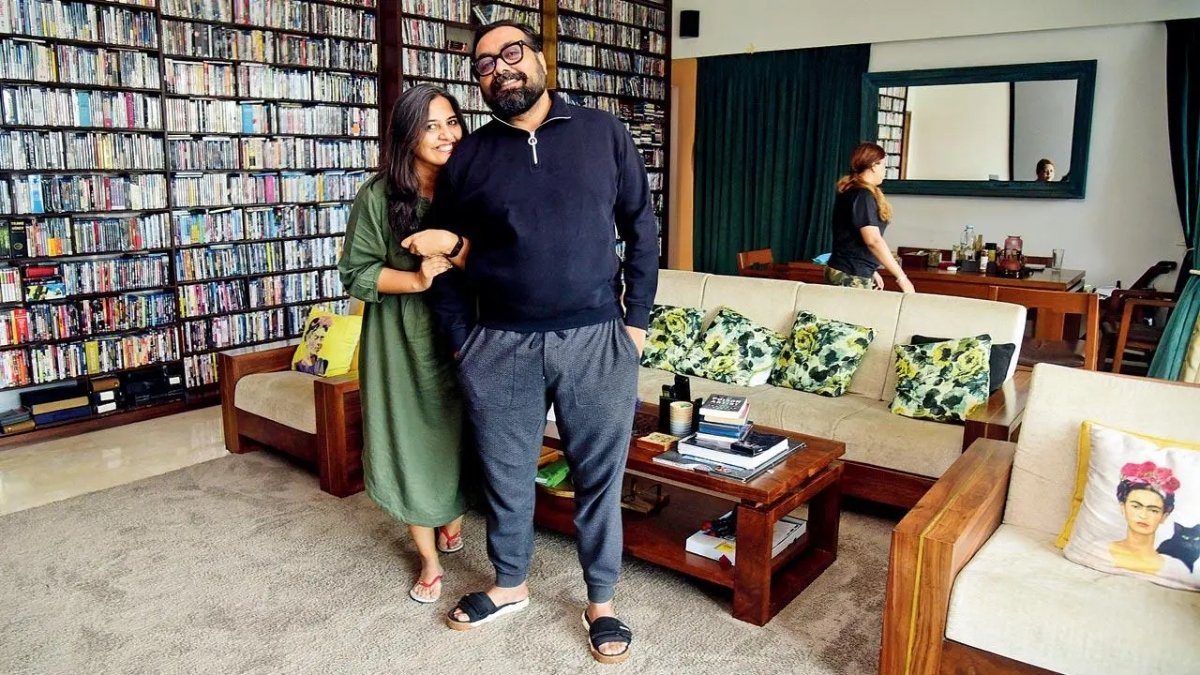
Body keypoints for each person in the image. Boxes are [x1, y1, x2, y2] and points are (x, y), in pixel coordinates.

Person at [421, 20, 656, 665]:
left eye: (512, 53)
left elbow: (641, 227)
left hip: (597, 338)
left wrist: (636, 322)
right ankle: (510, 584)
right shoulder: (469, 158)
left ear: (540, 58)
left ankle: (601, 601)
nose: (500, 68)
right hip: (499, 343)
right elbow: (440, 256)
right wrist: (462, 340)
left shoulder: (603, 133)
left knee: (599, 478)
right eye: (484, 64)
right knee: (505, 473)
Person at [337, 84, 471, 605]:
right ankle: (429, 560)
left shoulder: (473, 183)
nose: (446, 135)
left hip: (471, 328)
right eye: (431, 126)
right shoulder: (377, 196)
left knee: (465, 430)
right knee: (412, 440)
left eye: (452, 122)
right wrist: (416, 279)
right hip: (401, 335)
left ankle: (452, 514)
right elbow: (356, 272)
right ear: (406, 136)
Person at [825, 142, 915, 293]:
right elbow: (873, 240)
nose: (885, 171)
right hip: (850, 273)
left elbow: (851, 237)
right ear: (874, 165)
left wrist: (872, 270)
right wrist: (902, 278)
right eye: (884, 166)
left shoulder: (852, 191)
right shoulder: (862, 195)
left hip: (848, 269)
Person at [1109, 461, 1180, 575]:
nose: (1143, 515)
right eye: (1136, 506)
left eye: (1153, 510)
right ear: (1123, 508)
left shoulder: (1172, 568)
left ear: (1164, 516)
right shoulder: (1099, 550)